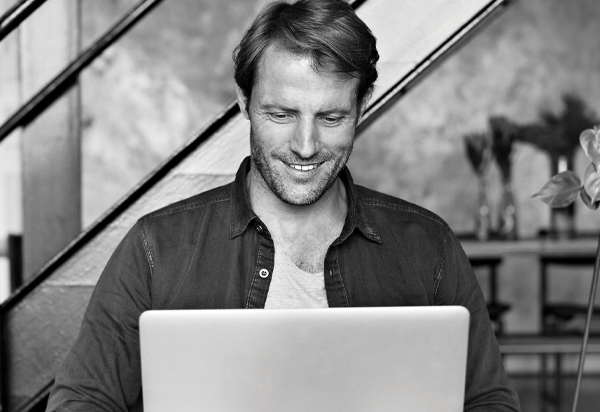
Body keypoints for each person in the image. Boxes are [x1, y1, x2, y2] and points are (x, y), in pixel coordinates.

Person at [46, 0, 521, 411]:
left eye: (332, 117)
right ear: (244, 103)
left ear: (362, 107)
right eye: (281, 114)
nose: (307, 145)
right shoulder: (156, 248)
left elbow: (487, 402)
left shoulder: (427, 245)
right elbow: (81, 401)